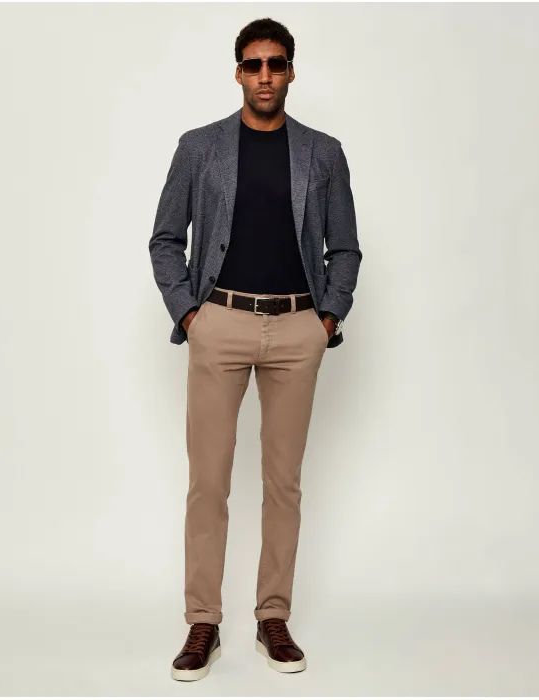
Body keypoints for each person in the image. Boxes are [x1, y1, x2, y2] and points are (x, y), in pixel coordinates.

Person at [149, 17, 362, 682]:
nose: (265, 76)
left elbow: (344, 247)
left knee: (283, 482)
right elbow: (165, 239)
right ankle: (203, 622)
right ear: (238, 72)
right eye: (253, 64)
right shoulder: (200, 148)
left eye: (275, 64)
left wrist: (327, 317)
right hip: (220, 322)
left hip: (297, 329)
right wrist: (190, 312)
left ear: (291, 70)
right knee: (208, 481)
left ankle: (274, 615)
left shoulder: (323, 153)